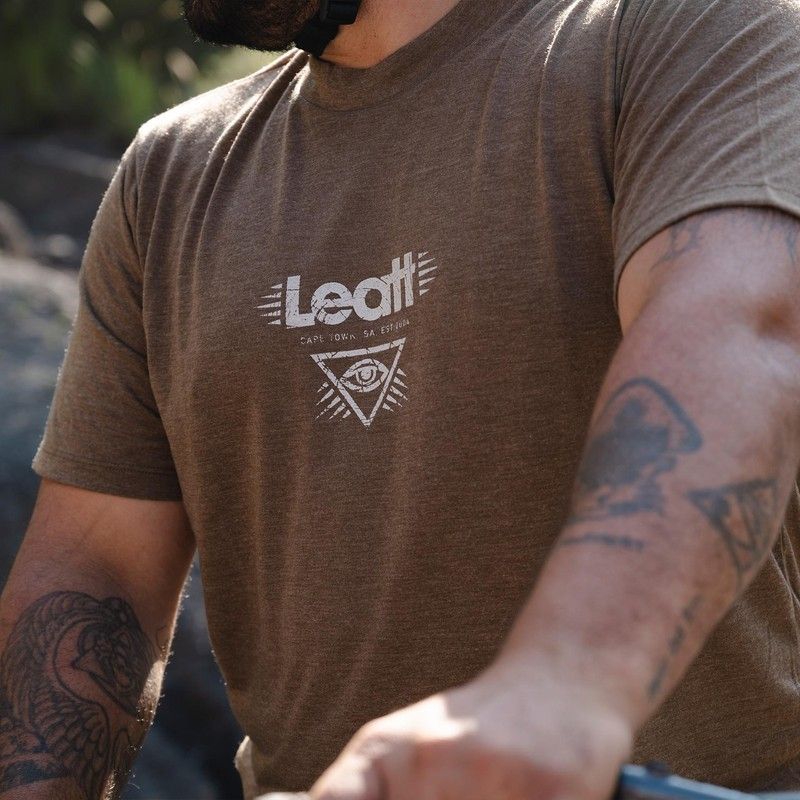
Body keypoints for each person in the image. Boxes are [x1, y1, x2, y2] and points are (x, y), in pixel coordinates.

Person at [2, 0, 800, 797]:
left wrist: (563, 688)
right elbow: (97, 574)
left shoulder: (694, 30)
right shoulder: (169, 174)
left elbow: (738, 334)